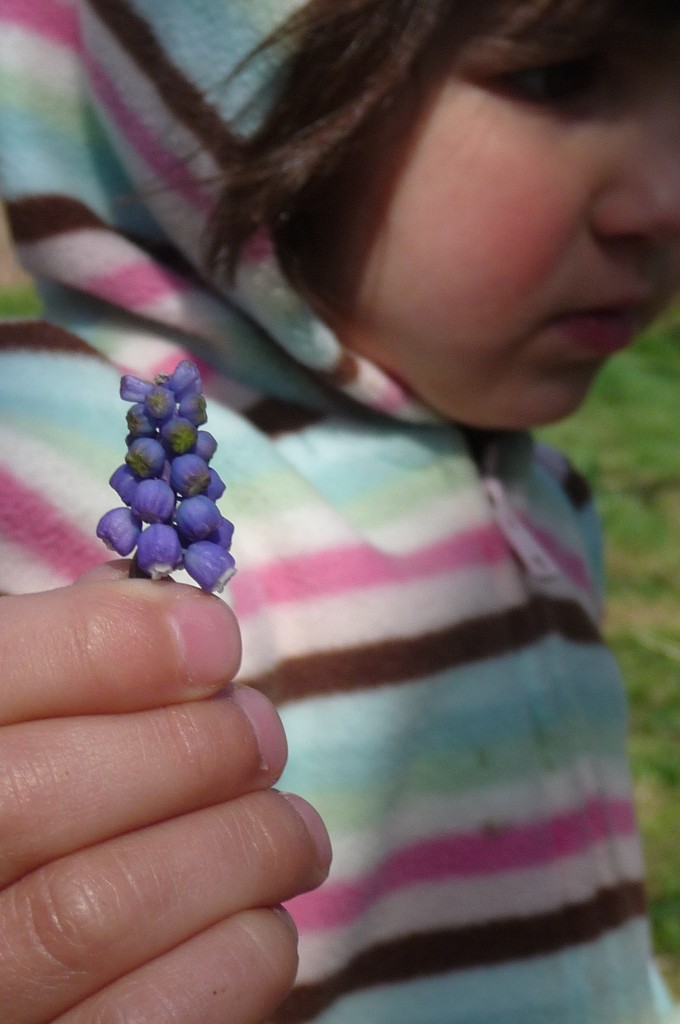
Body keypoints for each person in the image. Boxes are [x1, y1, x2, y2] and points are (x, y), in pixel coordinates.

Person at [0, 0, 679, 1021]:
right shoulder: (53, 461)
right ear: (223, 108)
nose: (664, 196)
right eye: (556, 76)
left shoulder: (541, 493)